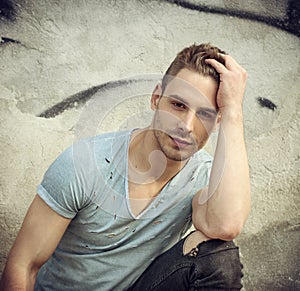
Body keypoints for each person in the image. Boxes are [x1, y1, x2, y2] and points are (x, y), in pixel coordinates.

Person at [0, 43, 251, 290]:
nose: (186, 125)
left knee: (218, 258)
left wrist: (234, 112)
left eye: (204, 115)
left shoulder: (203, 175)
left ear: (217, 121)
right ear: (156, 98)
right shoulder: (85, 163)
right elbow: (24, 265)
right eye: (178, 105)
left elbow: (225, 226)